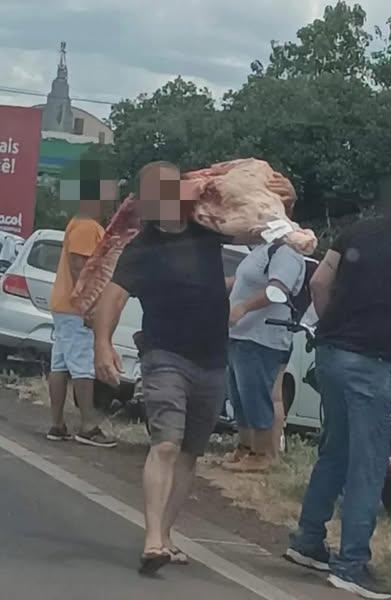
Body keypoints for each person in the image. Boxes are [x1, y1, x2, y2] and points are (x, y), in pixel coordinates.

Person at [93, 161, 296, 575]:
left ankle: (165, 538)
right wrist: (102, 344)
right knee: (166, 443)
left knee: (189, 453)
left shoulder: (206, 227)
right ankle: (152, 538)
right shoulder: (142, 247)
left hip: (212, 356)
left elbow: (260, 222)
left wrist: (285, 192)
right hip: (164, 353)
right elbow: (112, 298)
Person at [285, 194, 391, 600]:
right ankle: (351, 564)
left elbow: (319, 281)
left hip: (331, 355)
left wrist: (330, 326)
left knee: (335, 452)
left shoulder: (357, 231)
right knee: (369, 466)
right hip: (373, 365)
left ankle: (308, 540)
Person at [224, 241, 305, 472]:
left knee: (255, 396)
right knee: (239, 397)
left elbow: (278, 290)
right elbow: (243, 281)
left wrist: (243, 308)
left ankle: (262, 454)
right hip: (241, 334)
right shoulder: (261, 249)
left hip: (263, 336)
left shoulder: (286, 251)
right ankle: (245, 447)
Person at [46, 195, 117, 448]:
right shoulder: (86, 225)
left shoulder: (82, 222)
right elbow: (80, 265)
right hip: (75, 308)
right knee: (82, 363)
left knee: (62, 363)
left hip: (66, 305)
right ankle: (88, 426)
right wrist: (88, 305)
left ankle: (57, 424)